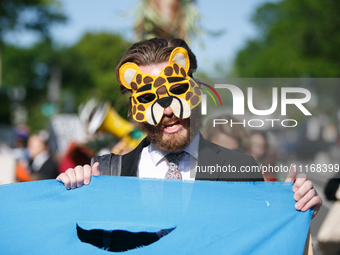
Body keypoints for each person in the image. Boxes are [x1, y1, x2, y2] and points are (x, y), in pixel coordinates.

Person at [57, 38, 322, 251]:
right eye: (149, 99)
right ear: (134, 109)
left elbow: (262, 240)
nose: (168, 111)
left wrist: (296, 214)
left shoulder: (240, 169)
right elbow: (77, 243)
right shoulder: (105, 174)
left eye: (177, 92)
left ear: (194, 92)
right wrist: (67, 195)